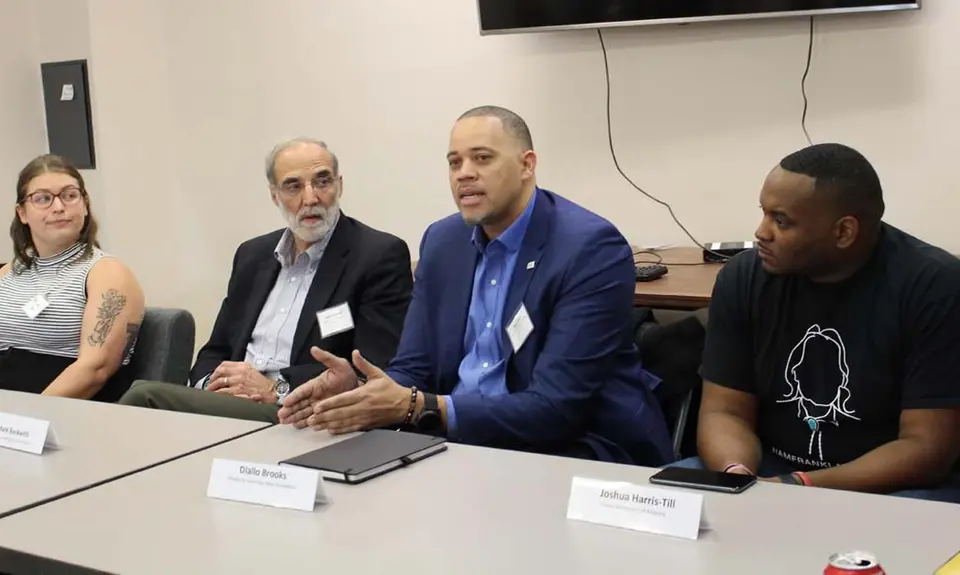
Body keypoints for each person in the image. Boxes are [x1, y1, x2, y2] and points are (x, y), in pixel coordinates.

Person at [279, 106, 673, 466]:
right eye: (454, 162)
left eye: (482, 158)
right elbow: (414, 366)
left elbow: (556, 408)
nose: (464, 173)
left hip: (575, 448)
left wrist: (416, 406)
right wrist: (363, 390)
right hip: (457, 441)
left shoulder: (588, 248)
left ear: (527, 165)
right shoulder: (443, 241)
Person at [676, 143, 960, 502]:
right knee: (675, 497)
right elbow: (724, 410)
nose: (762, 232)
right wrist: (737, 476)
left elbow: (926, 449)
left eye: (781, 221)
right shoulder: (743, 278)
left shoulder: (935, 287)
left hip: (893, 485)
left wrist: (799, 488)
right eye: (764, 214)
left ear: (844, 232)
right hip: (768, 471)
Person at [119, 138, 413, 422]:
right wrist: (211, 384)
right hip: (230, 405)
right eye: (293, 186)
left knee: (145, 397)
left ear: (339, 185)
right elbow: (217, 349)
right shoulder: (253, 255)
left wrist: (276, 388)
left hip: (298, 413)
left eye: (322, 181)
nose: (310, 198)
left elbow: (373, 366)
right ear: (274, 195)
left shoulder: (377, 255)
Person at [0, 154, 144, 401]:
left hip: (62, 414)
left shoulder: (108, 274)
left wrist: (21, 421)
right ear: (21, 213)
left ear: (85, 205)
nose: (58, 207)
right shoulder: (6, 274)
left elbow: (95, 369)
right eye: (43, 198)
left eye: (69, 195)